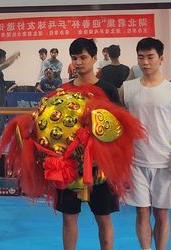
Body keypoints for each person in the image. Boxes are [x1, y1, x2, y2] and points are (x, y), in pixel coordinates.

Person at [121, 37, 171, 250]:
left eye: (150, 57)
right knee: (141, 211)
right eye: (141, 57)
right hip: (135, 161)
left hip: (165, 161)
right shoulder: (127, 88)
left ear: (161, 58)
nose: (145, 62)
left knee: (161, 213)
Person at [57, 38, 122, 250]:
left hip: (100, 166)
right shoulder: (63, 91)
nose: (78, 62)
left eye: (83, 57)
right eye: (74, 58)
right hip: (68, 165)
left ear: (94, 58)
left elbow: (119, 128)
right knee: (68, 217)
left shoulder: (108, 90)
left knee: (103, 217)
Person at [0, 48, 20, 161]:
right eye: (4, 57)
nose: (5, 59)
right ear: (1, 58)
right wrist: (14, 56)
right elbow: (6, 64)